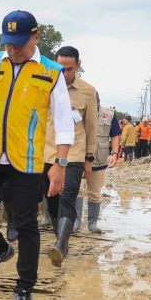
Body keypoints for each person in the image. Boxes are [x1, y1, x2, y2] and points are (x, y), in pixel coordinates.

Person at [0, 10, 72, 300]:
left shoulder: (51, 72)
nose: (13, 50)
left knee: (26, 225)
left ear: (35, 38)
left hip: (25, 159)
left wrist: (60, 163)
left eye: (19, 44)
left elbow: (64, 122)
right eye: (8, 44)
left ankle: (24, 288)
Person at [43, 45, 97, 266]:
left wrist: (89, 158)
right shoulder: (43, 85)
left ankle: (59, 244)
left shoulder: (87, 91)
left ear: (78, 66)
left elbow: (91, 125)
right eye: (60, 68)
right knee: (52, 201)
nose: (64, 74)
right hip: (47, 153)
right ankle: (62, 243)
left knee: (68, 197)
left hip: (74, 154)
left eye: (70, 69)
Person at [74, 95, 120, 233]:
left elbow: (115, 135)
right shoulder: (77, 112)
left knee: (94, 192)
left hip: (98, 159)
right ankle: (75, 223)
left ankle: (92, 224)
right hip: (78, 158)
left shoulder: (109, 115)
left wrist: (115, 153)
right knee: (77, 191)